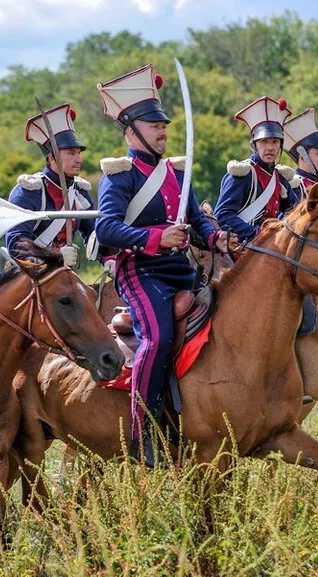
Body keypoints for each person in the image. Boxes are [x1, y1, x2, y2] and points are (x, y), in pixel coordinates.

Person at [93, 64, 220, 468]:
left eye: (163, 124)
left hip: (181, 270)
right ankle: (143, 432)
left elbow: (199, 225)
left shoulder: (176, 172)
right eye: (153, 125)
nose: (163, 130)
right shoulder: (120, 174)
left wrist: (220, 239)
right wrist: (154, 237)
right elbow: (107, 228)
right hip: (140, 272)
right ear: (131, 131)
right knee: (159, 337)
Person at [5, 103, 94, 266]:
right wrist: (56, 255)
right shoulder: (29, 191)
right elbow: (16, 243)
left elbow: (94, 233)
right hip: (30, 273)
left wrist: (109, 258)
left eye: (78, 153)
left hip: (65, 274)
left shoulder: (80, 192)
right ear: (51, 158)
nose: (79, 159)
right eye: (71, 153)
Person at [213, 96, 301, 250]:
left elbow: (296, 214)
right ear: (254, 144)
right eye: (264, 141)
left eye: (275, 142)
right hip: (244, 248)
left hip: (273, 249)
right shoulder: (243, 174)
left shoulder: (279, 179)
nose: (270, 148)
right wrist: (258, 233)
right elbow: (222, 216)